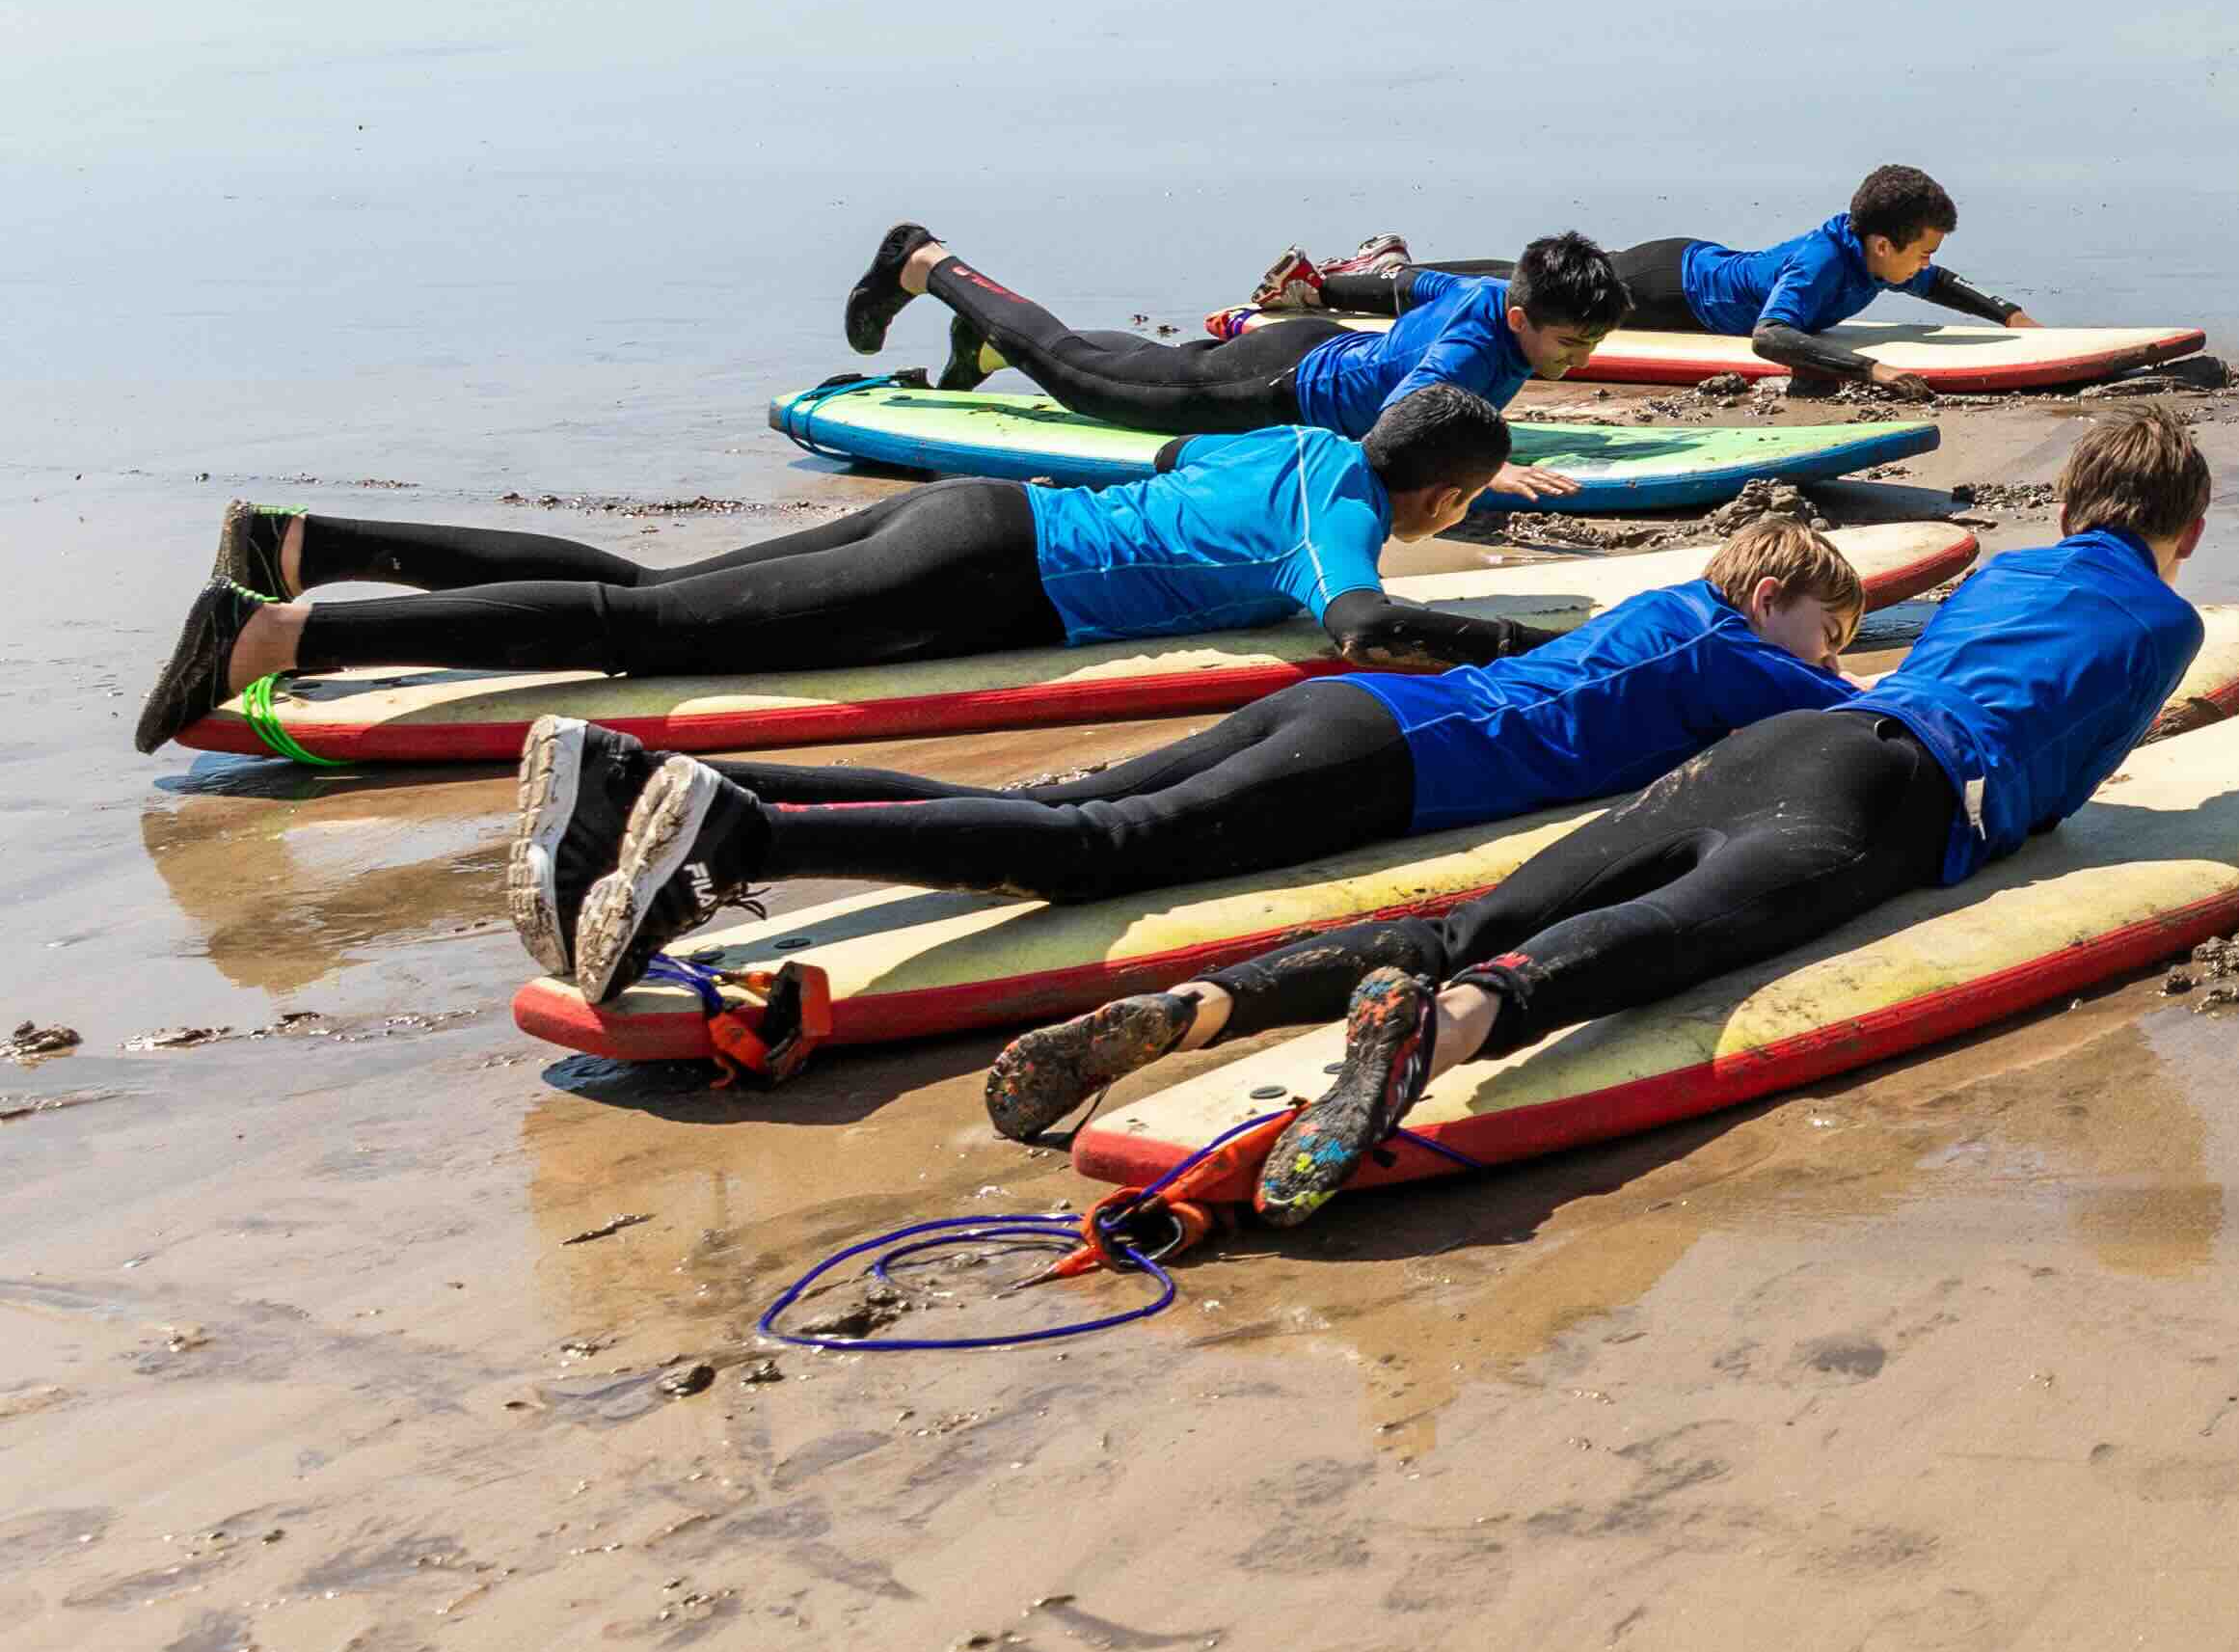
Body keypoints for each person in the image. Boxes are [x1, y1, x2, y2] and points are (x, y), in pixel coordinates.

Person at [1228, 403, 2219, 1225]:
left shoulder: (2002, 572)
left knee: (1483, 915)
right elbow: (2061, 787)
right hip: (1901, 785)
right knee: (1686, 926)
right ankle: (1445, 1031)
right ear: (2193, 526)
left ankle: (1192, 1008)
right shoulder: (2171, 621)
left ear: (2067, 507)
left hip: (1790, 735)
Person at [529, 516, 1881, 1097]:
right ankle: (741, 838)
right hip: (1394, 761)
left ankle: (652, 781)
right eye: (1827, 627)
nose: (1825, 655)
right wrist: (1846, 680)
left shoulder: (1661, 609)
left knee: (1074, 799)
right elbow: (1846, 725)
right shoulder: (1742, 655)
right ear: (1773, 597)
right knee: (1095, 849)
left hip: (1343, 707)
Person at [147, 388, 1527, 819]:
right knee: (646, 635)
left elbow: (1169, 463)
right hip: (977, 574)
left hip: (981, 520)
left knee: (652, 591)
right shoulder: (1338, 503)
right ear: (1445, 493)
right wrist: (1530, 641)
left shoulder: (1287, 444)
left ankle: (303, 542)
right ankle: (277, 633)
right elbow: (1353, 625)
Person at [1263, 164, 2028, 397]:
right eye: (1920, 250)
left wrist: (2007, 314)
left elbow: (1936, 285)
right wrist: (1871, 366)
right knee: (1512, 289)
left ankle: (1385, 265)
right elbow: (1770, 335)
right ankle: (1363, 278)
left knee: (1511, 281)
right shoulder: (1825, 261)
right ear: (1883, 241)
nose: (1923, 265)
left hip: (1695, 261)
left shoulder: (1874, 253)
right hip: (1672, 285)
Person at [839, 219, 1623, 444]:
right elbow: (1403, 423)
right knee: (1081, 375)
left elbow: (1412, 280)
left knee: (1150, 366)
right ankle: (926, 261)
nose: (1578, 360)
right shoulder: (1475, 347)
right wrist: (1493, 464)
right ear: (1520, 316)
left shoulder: (1493, 293)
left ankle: (982, 345)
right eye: (1570, 346)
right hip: (1271, 390)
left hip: (1307, 345)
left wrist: (1327, 283)